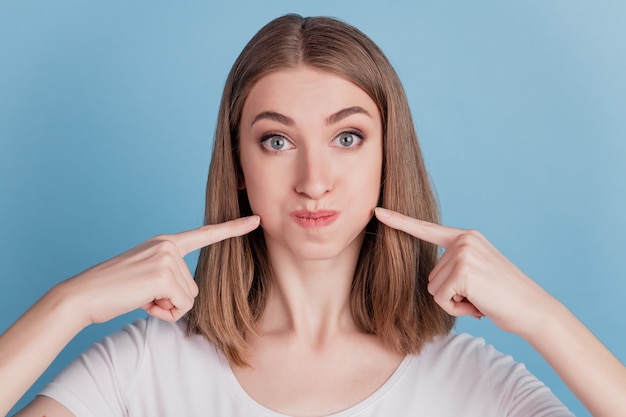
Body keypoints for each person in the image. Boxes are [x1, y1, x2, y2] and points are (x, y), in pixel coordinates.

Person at [1, 13, 624, 417]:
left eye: (347, 138)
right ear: (239, 165)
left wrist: (547, 319)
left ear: (388, 157)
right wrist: (67, 306)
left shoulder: (476, 385)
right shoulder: (144, 367)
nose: (314, 181)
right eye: (277, 140)